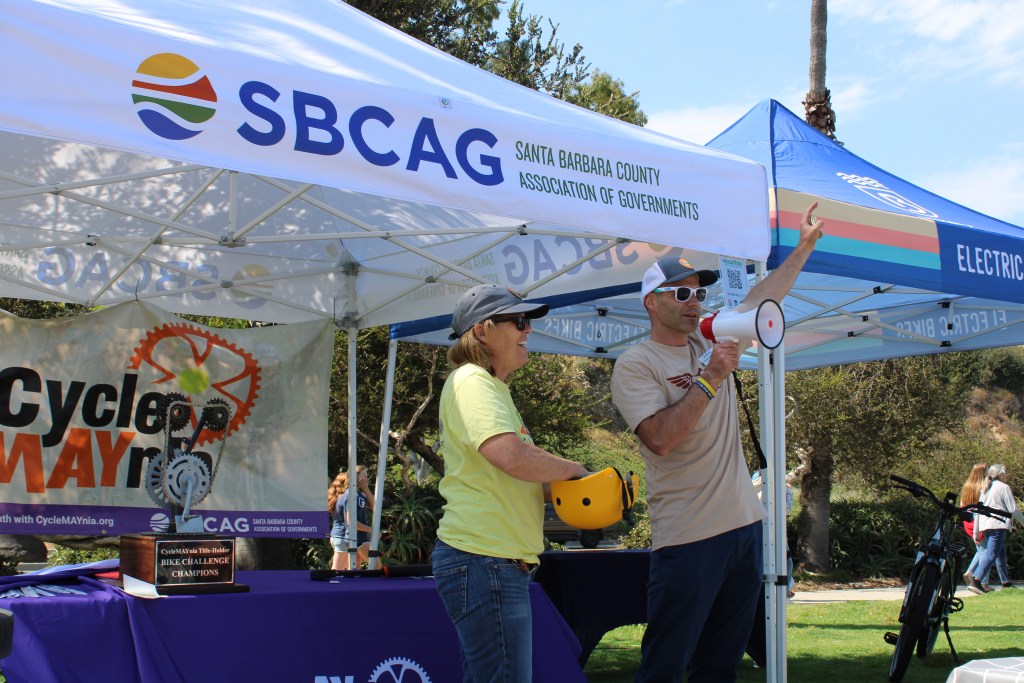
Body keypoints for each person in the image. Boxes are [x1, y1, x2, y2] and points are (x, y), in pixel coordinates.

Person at [611, 203, 823, 682]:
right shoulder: (637, 364)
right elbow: (660, 440)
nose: (695, 301)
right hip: (688, 538)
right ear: (651, 303)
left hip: (744, 529)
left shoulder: (708, 342)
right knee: (665, 667)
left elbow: (762, 298)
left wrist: (804, 247)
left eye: (700, 292)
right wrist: (709, 378)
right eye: (682, 292)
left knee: (720, 666)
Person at [431, 284, 590, 682]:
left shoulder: (488, 386)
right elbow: (509, 455)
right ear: (481, 331)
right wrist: (576, 470)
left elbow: (515, 473)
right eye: (519, 321)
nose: (528, 329)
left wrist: (583, 489)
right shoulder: (473, 381)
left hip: (487, 560)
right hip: (485, 558)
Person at [970, 463, 1024, 594]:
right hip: (997, 525)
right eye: (1005, 473)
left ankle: (1006, 582)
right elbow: (1013, 509)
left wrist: (976, 531)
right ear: (1000, 474)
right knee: (992, 554)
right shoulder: (1004, 487)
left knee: (1000, 553)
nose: (1006, 475)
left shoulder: (986, 488)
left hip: (985, 526)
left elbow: (978, 511)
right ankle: (976, 580)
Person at [328, 465, 374, 570]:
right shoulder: (349, 496)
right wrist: (371, 530)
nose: (367, 479)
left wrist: (366, 489)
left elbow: (373, 506)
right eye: (364, 476)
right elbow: (351, 522)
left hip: (347, 536)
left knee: (354, 569)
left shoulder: (350, 496)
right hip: (343, 536)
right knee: (337, 571)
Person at [960, 463, 988, 587]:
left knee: (981, 548)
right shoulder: (983, 487)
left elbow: (961, 504)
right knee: (985, 552)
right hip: (979, 520)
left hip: (967, 520)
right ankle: (981, 581)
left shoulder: (967, 486)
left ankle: (970, 571)